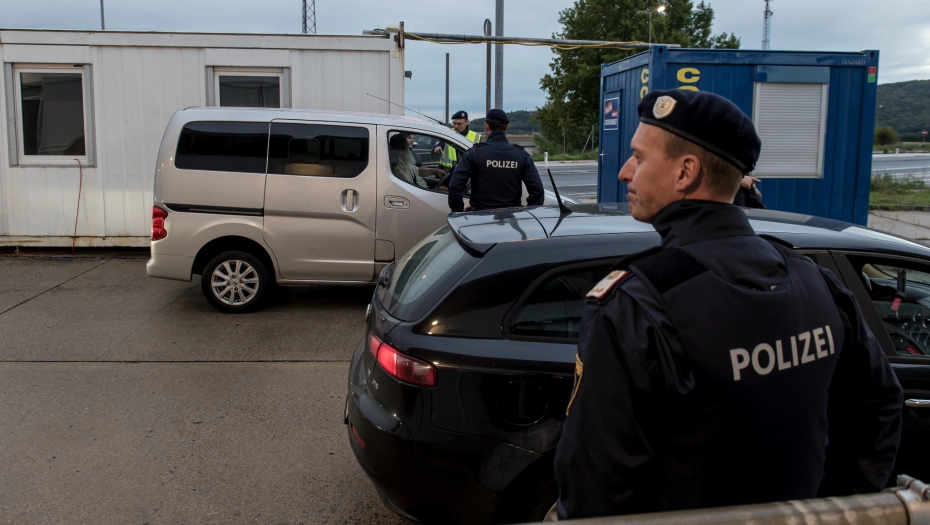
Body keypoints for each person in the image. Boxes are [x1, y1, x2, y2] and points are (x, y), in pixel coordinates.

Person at [554, 89, 903, 519]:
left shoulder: (638, 304)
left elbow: (596, 487)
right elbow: (879, 405)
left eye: (639, 158)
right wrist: (836, 507)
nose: (626, 171)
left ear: (685, 172)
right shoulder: (813, 279)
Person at [447, 109, 545, 212]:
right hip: (511, 216)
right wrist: (526, 213)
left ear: (486, 126)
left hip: (479, 216)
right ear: (507, 127)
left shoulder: (474, 154)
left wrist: (458, 211)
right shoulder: (521, 155)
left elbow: (455, 186)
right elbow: (537, 190)